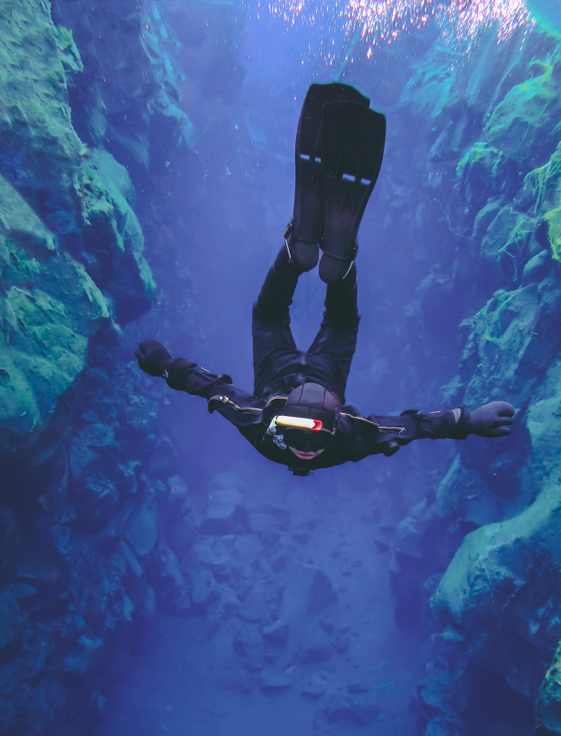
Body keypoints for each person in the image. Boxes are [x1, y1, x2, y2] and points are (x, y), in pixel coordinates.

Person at [136, 83, 514, 478]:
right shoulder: (310, 430)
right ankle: (304, 257)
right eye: (312, 439)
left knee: (333, 322)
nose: (305, 450)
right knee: (273, 315)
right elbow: (211, 389)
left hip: (324, 370)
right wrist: (466, 422)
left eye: (300, 437)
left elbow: (405, 426)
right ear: (334, 423)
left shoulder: (288, 426)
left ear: (281, 418)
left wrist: (466, 422)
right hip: (282, 368)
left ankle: (334, 263)